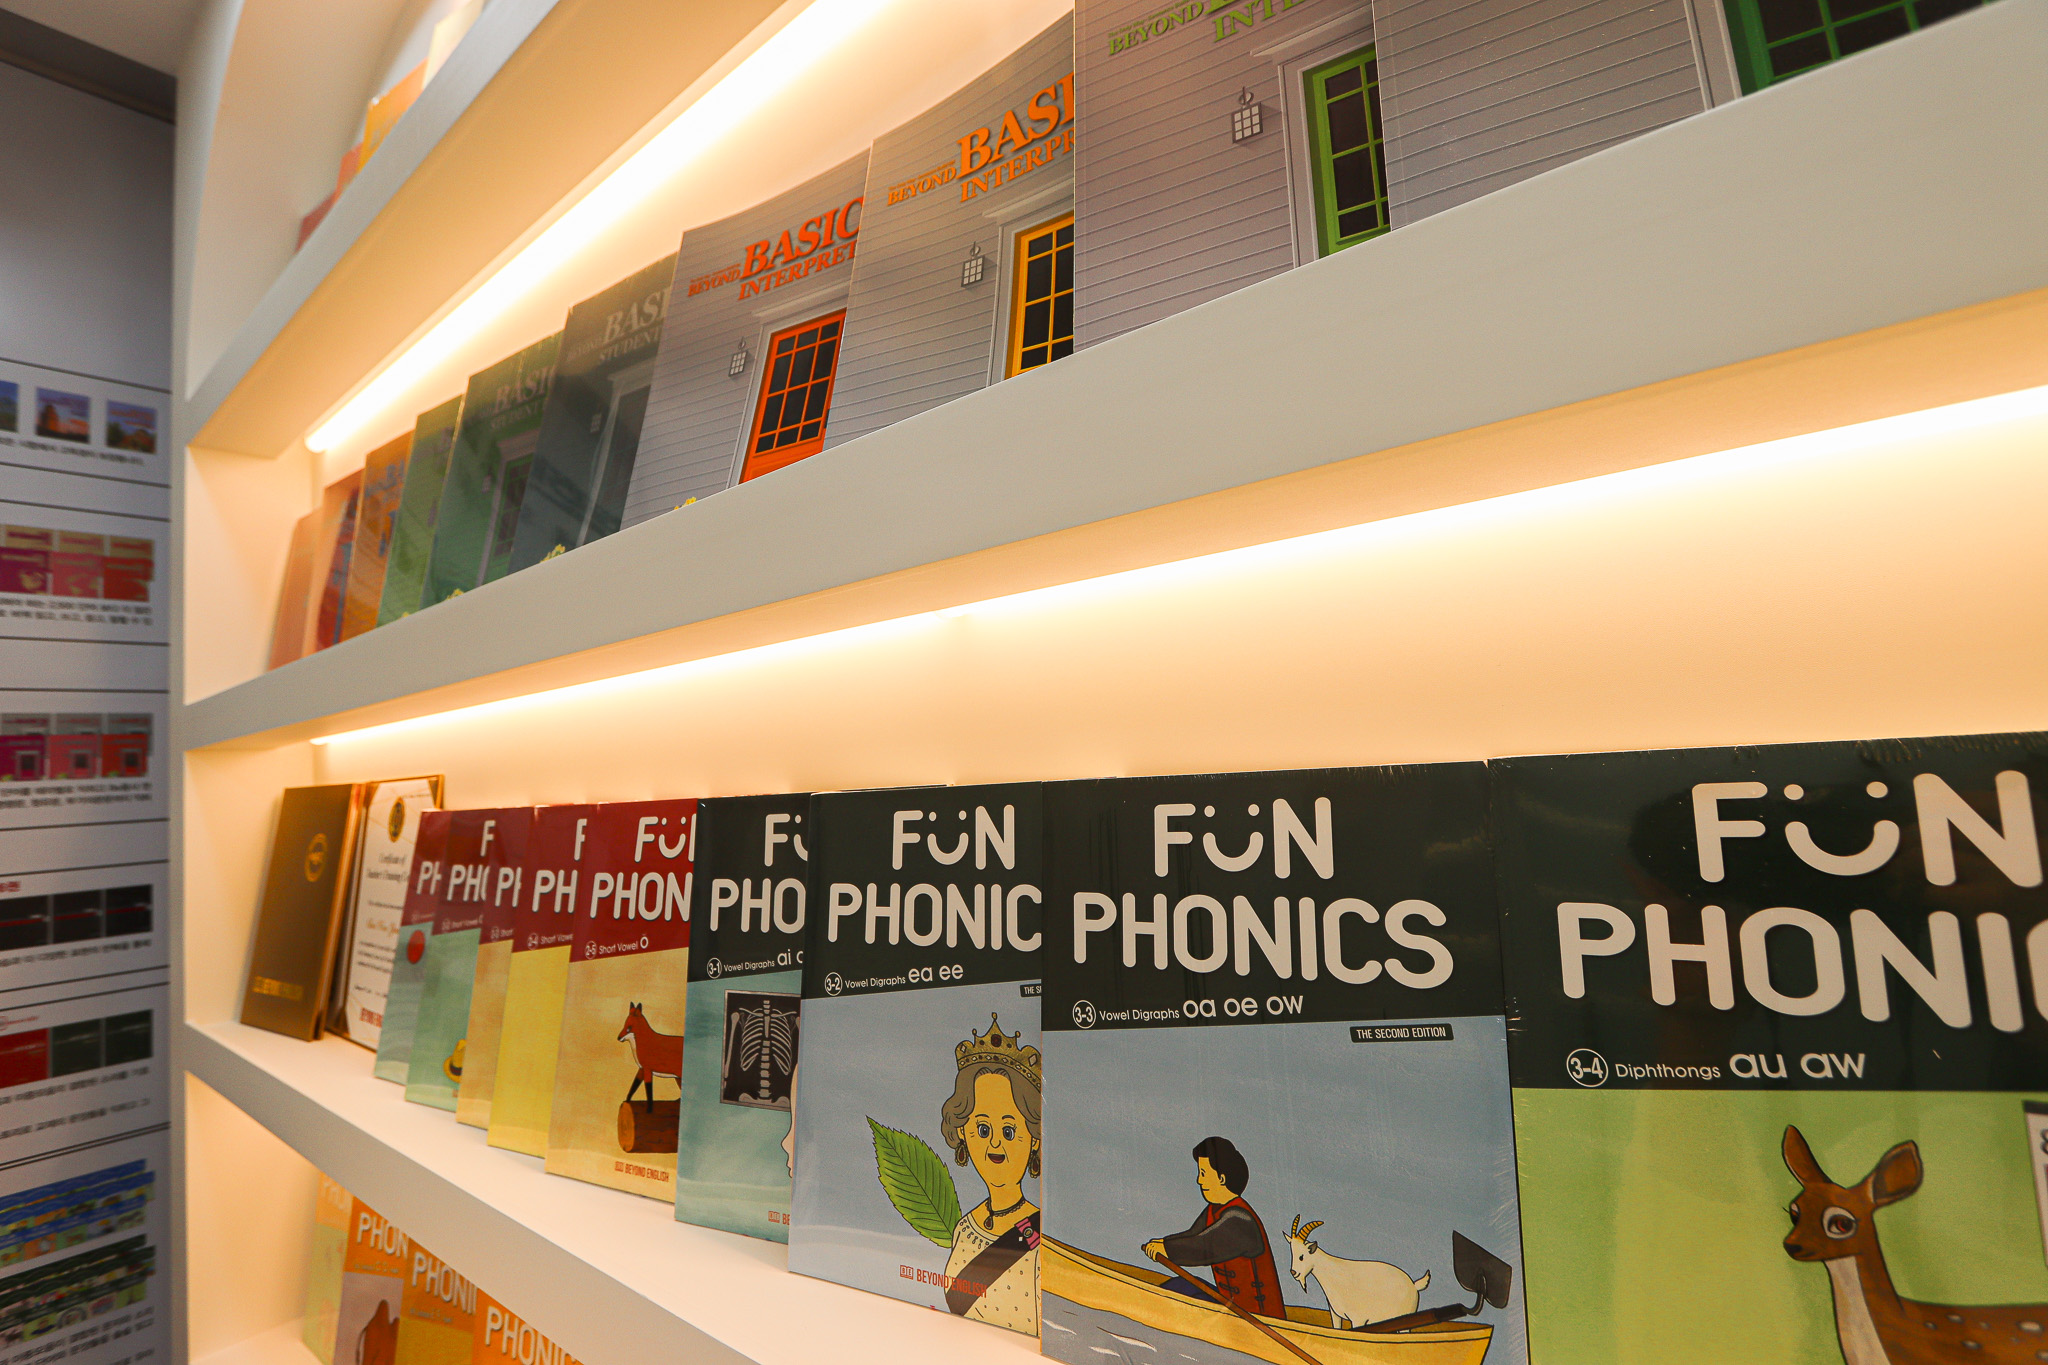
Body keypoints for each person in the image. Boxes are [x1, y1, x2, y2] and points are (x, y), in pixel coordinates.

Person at [936, 1014, 1042, 1335]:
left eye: (1009, 1131)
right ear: (963, 1132)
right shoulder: (964, 1229)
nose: (995, 1144)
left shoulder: (1041, 1240)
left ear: (1035, 1138)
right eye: (983, 1129)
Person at [1143, 1136, 1285, 1318]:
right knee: (1180, 1285)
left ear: (1221, 1178)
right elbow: (1193, 1235)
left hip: (1257, 1318)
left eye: (1203, 1173)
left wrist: (1167, 1249)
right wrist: (1162, 1244)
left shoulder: (1240, 1220)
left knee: (1185, 1294)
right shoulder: (1214, 1210)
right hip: (1230, 1306)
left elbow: (1204, 1246)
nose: (1199, 1181)